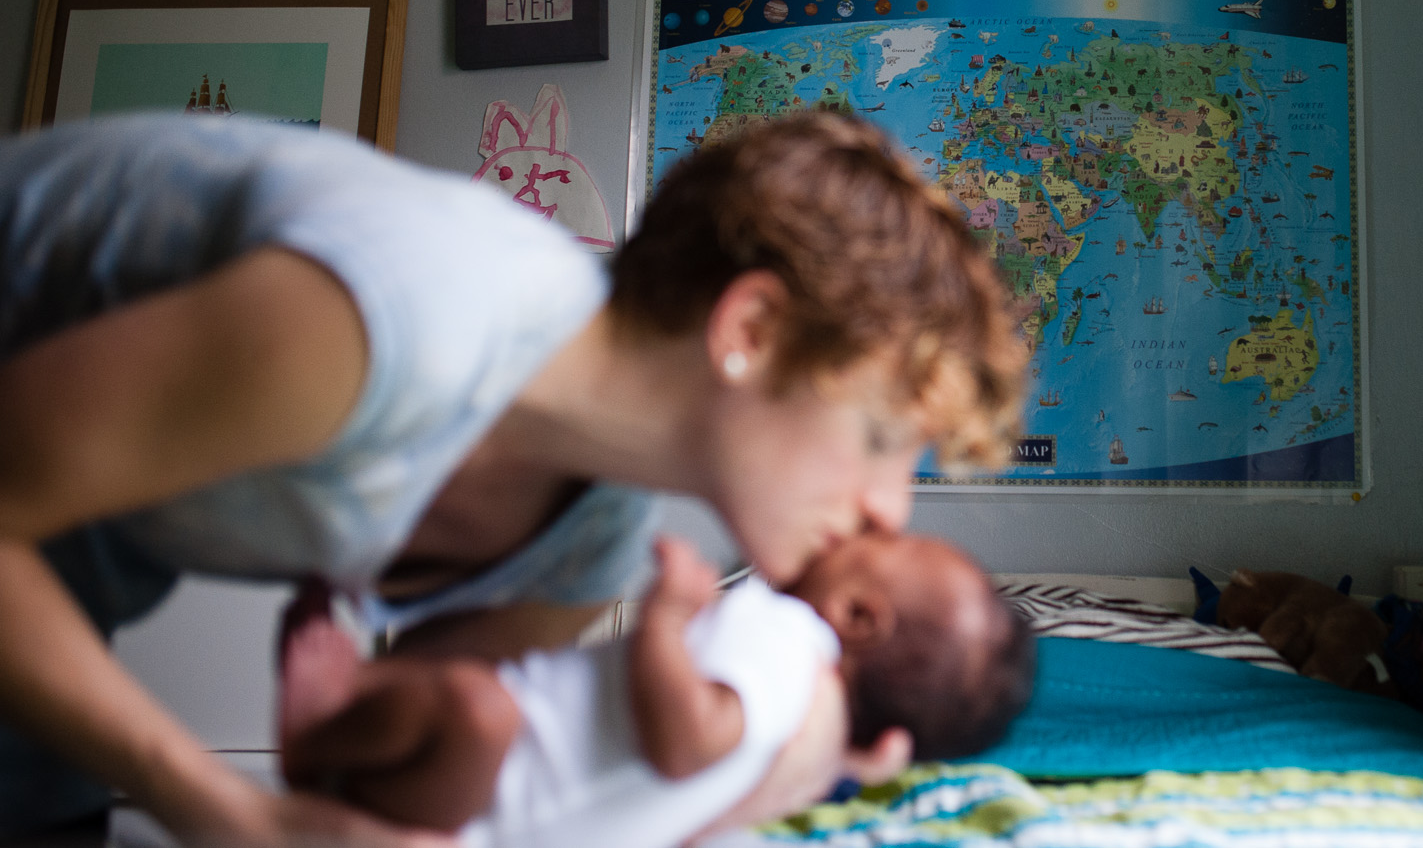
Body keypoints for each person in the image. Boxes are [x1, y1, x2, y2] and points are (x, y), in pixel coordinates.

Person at [0, 109, 1025, 844]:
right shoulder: (411, 312)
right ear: (750, 331)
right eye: (885, 433)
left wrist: (766, 777)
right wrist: (211, 800)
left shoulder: (588, 545)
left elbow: (379, 759)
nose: (888, 509)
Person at [278, 533, 1035, 844]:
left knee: (476, 707)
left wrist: (667, 618)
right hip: (483, 819)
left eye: (882, 544)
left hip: (478, 780)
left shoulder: (786, 638)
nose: (859, 527)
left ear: (859, 616)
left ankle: (314, 729)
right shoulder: (809, 733)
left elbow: (686, 744)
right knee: (472, 703)